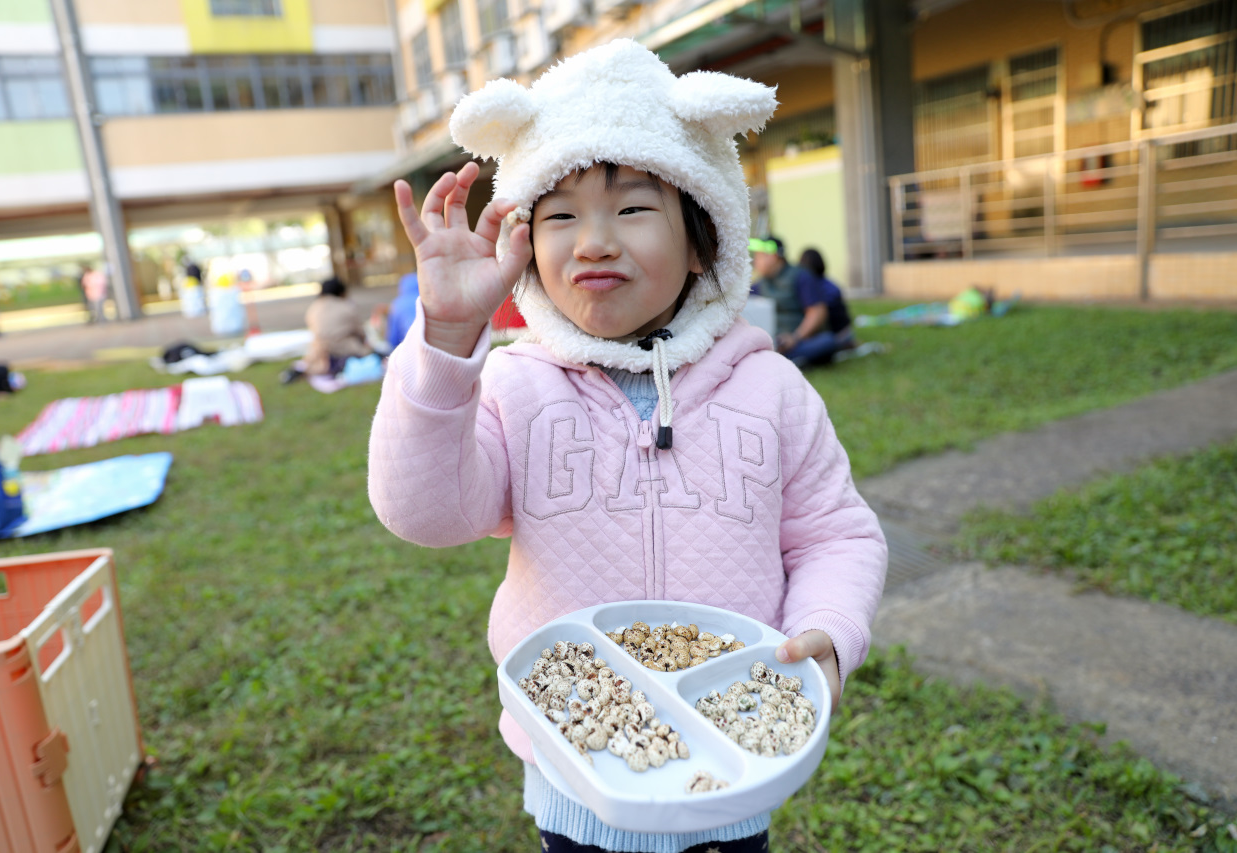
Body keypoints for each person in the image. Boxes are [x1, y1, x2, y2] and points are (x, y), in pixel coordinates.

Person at [368, 41, 886, 852]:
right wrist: (446, 341)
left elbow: (834, 532)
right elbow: (422, 513)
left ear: (702, 236)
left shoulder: (771, 389)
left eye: (634, 208)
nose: (594, 241)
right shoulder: (514, 387)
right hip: (579, 773)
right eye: (561, 214)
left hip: (734, 760)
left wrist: (829, 624)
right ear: (526, 245)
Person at [750, 238, 854, 367]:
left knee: (827, 341)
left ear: (772, 256)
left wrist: (794, 338)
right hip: (774, 341)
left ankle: (781, 359)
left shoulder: (801, 277)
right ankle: (782, 359)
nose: (755, 261)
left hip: (800, 340)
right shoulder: (760, 284)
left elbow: (817, 312)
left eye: (759, 256)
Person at [281, 277, 377, 383]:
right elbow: (361, 333)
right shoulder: (346, 306)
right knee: (369, 354)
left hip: (319, 352)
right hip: (345, 350)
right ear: (341, 291)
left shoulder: (314, 307)